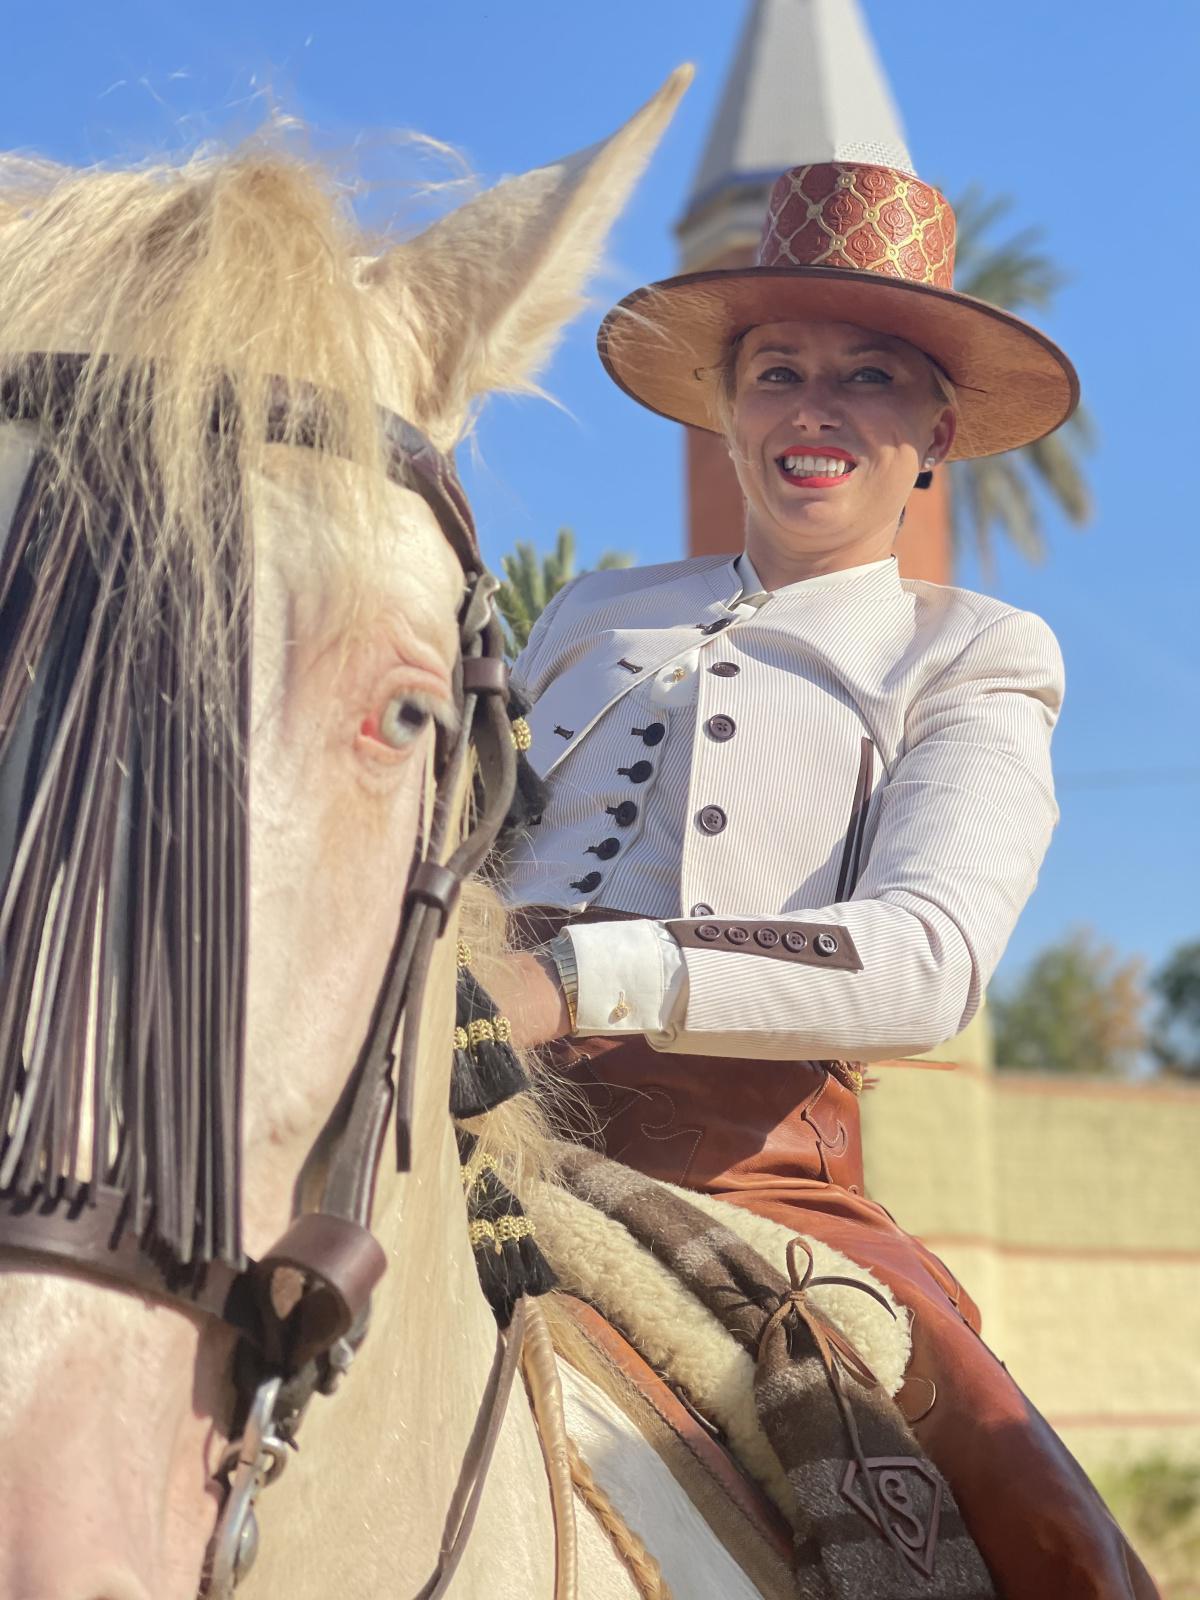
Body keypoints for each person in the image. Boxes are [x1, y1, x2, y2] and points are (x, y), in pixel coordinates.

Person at [483, 159, 1158, 1597]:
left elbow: (926, 958)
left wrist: (576, 978)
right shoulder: (597, 613)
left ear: (935, 434)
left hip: (749, 1170)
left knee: (1040, 1522)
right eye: (777, 369)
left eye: (869, 376)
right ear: (728, 411)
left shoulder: (974, 647)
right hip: (455, 1099)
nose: (815, 407)